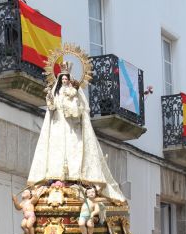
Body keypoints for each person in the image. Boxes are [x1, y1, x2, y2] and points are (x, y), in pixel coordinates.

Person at [26, 66, 125, 202]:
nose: (65, 80)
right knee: (56, 150)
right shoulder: (57, 91)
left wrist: (71, 106)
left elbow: (80, 110)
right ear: (60, 80)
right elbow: (51, 108)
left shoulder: (75, 93)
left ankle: (75, 178)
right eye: (63, 79)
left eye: (67, 78)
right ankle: (57, 177)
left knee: (74, 150)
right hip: (58, 126)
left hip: (72, 127)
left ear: (69, 80)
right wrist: (49, 98)